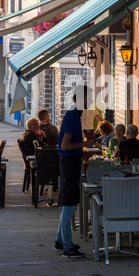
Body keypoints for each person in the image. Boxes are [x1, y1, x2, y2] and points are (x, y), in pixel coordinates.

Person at [55, 85, 95, 258]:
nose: (92, 101)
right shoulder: (72, 116)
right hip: (69, 163)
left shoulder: (75, 116)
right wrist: (86, 144)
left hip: (71, 162)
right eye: (90, 97)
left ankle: (59, 240)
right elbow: (65, 145)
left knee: (68, 202)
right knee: (69, 205)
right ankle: (67, 247)